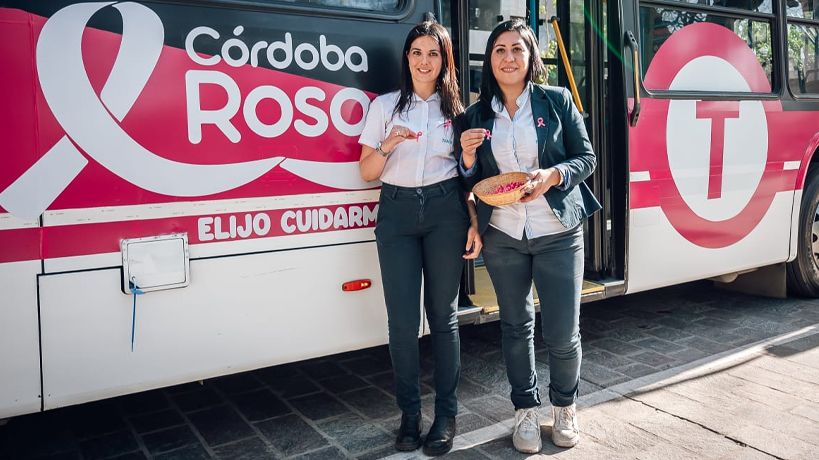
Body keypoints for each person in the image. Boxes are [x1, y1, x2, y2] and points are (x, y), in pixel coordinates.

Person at [455, 19, 601, 452]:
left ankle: (564, 408)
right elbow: (469, 181)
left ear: (530, 56)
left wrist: (554, 175)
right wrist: (465, 157)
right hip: (503, 235)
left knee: (562, 332)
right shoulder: (476, 115)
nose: (508, 57)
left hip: (557, 231)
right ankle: (524, 412)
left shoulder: (556, 101)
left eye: (517, 49)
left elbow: (586, 158)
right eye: (499, 49)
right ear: (490, 60)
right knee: (516, 328)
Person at [358, 21, 482, 456]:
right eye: (417, 52)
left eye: (433, 53)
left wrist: (473, 221)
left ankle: (446, 415)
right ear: (406, 58)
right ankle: (409, 415)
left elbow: (469, 176)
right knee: (403, 322)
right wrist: (388, 144)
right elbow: (367, 172)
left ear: (444, 59)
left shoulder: (461, 111)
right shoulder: (386, 106)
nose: (424, 60)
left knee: (444, 317)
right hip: (397, 213)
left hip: (447, 211)